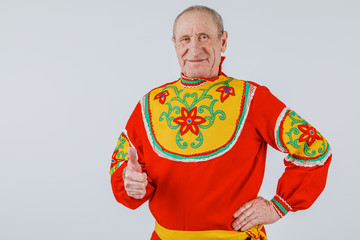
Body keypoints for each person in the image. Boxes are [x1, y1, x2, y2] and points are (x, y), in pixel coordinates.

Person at [109, 5, 332, 240]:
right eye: (185, 39)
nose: (194, 48)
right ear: (175, 46)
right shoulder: (150, 105)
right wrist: (131, 184)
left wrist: (279, 205)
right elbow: (122, 167)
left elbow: (314, 148)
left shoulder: (253, 99)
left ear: (223, 42)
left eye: (203, 37)